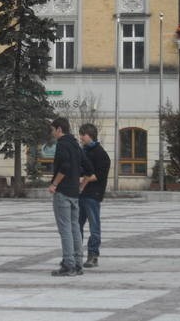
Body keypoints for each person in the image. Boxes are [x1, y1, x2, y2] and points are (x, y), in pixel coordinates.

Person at [48, 117, 93, 277]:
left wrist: (54, 184)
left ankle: (68, 264)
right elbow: (89, 169)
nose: (52, 133)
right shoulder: (75, 145)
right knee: (74, 228)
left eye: (53, 130)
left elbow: (65, 166)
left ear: (59, 129)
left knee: (65, 229)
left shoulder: (62, 144)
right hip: (74, 194)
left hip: (63, 193)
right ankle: (78, 263)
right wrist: (80, 186)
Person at [78, 123, 111, 269]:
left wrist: (81, 179)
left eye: (82, 135)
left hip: (93, 194)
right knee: (76, 225)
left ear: (90, 135)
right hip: (80, 193)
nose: (80, 138)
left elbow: (98, 176)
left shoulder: (101, 154)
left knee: (94, 226)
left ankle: (93, 255)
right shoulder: (83, 151)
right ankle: (76, 254)